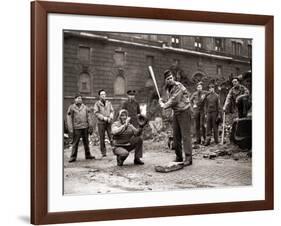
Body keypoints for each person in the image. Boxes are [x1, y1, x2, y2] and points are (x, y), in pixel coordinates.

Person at [159, 70, 193, 165]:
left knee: (185, 136)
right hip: (177, 113)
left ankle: (189, 158)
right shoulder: (168, 88)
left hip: (184, 112)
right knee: (176, 136)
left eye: (171, 78)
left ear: (173, 78)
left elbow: (175, 100)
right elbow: (167, 99)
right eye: (168, 79)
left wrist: (164, 105)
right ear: (165, 80)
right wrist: (162, 100)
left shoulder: (178, 86)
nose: (170, 80)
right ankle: (179, 157)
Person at [66, 94, 95, 163]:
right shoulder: (71, 107)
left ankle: (88, 155)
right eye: (78, 98)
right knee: (75, 143)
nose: (79, 100)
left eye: (80, 98)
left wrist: (90, 126)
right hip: (76, 128)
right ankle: (73, 157)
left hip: (85, 127)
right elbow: (69, 118)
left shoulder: (85, 107)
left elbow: (88, 117)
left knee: (86, 142)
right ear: (75, 99)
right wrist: (70, 128)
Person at [93, 89, 114, 157]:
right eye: (102, 94)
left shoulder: (109, 103)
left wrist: (111, 116)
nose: (103, 95)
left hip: (108, 122)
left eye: (104, 94)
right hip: (101, 123)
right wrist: (103, 118)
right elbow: (96, 113)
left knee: (111, 136)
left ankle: (115, 150)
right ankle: (103, 152)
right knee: (102, 138)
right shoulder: (97, 104)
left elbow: (112, 111)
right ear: (99, 96)